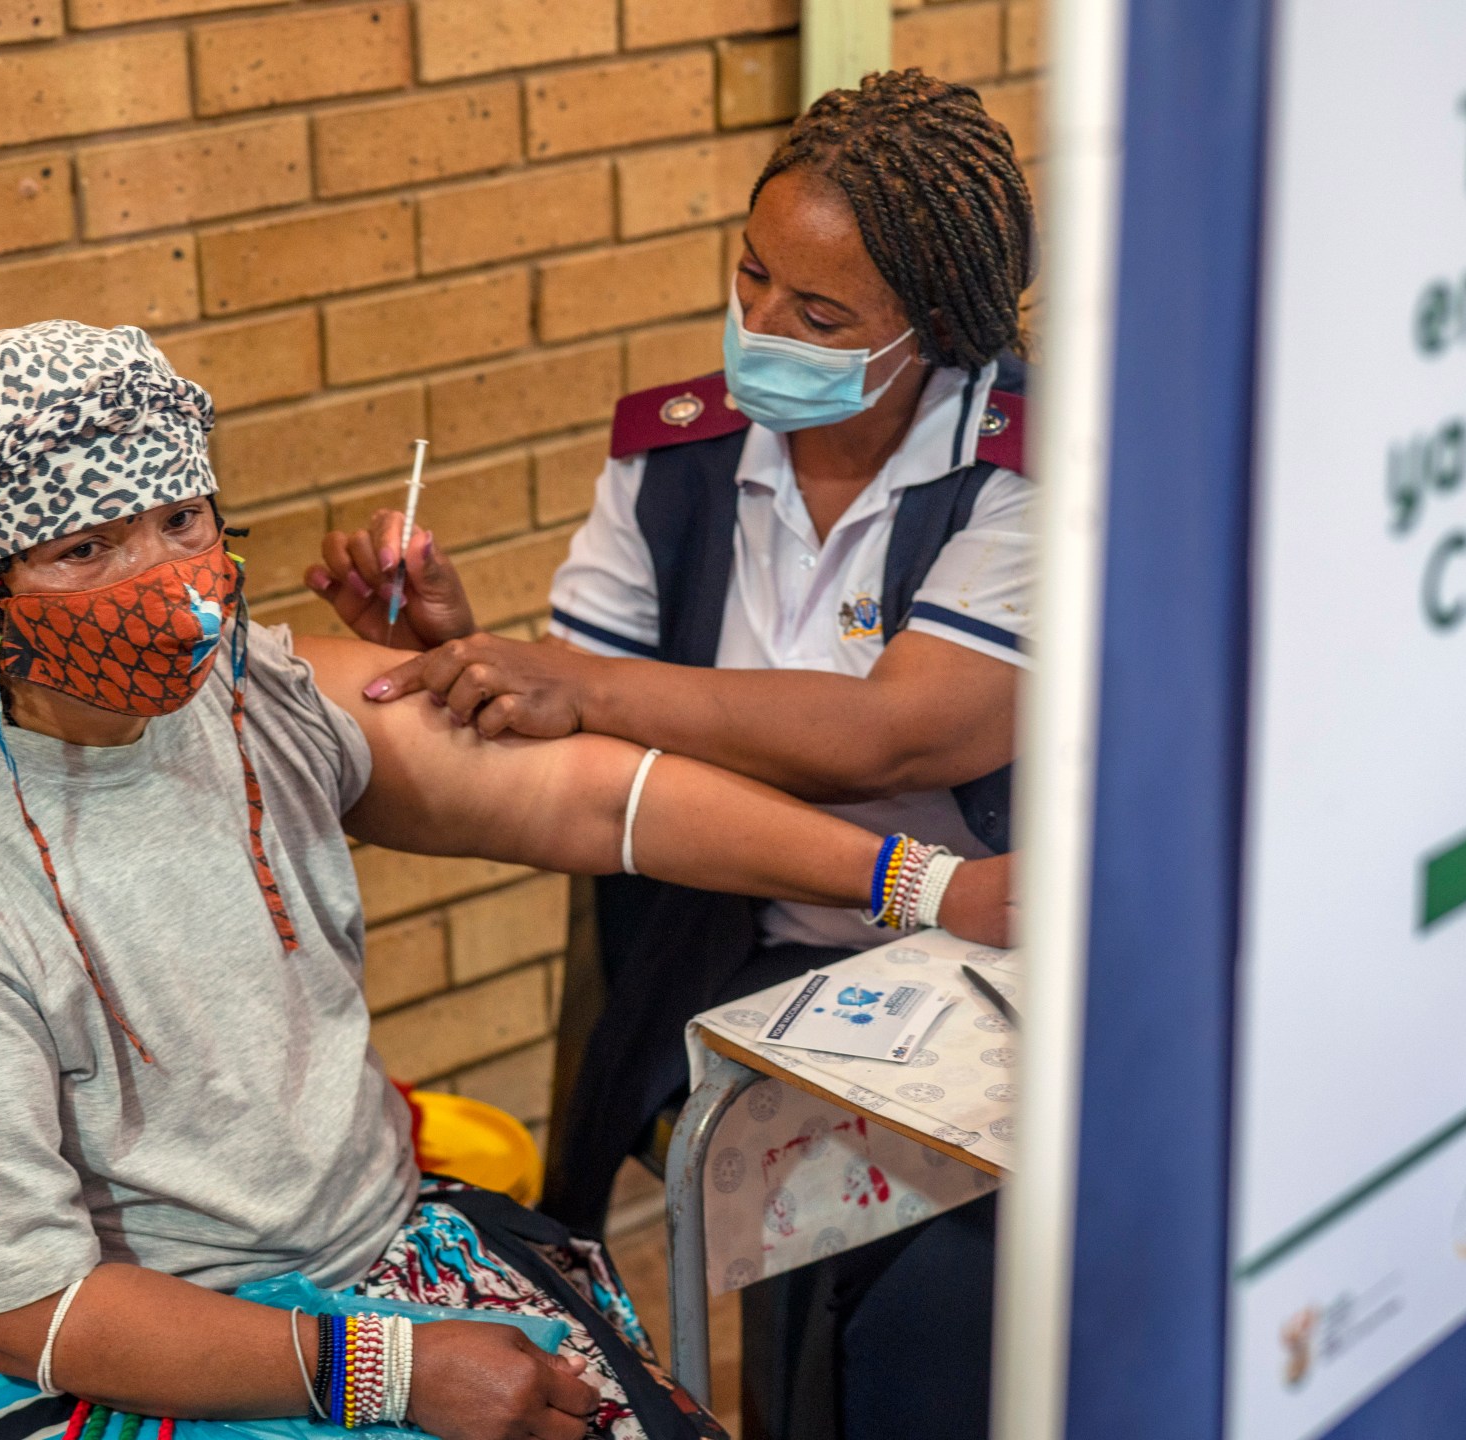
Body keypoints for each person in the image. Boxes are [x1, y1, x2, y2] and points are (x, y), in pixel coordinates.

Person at [0, 321, 1010, 1440]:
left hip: (346, 1265)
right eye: (86, 547)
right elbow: (21, 1313)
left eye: (181, 519)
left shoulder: (248, 699)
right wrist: (387, 1370)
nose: (165, 586)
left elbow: (582, 795)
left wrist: (924, 883)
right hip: (70, 1361)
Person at [309, 72, 1033, 1440]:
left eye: (821, 316)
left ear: (933, 327)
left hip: (988, 941)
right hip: (742, 941)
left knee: (933, 1282)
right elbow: (578, 728)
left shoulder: (1030, 472)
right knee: (797, 1239)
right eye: (752, 279)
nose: (764, 329)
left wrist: (577, 684)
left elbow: (902, 729)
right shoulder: (676, 455)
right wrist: (480, 662)